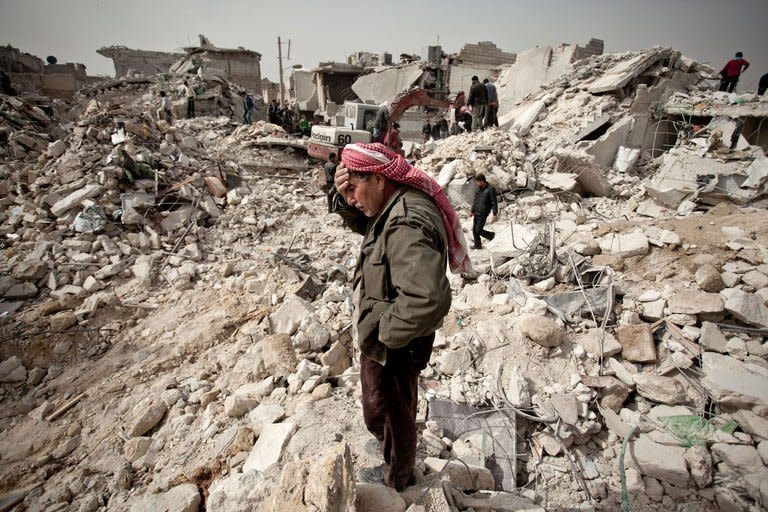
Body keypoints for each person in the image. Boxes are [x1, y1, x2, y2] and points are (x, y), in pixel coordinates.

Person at [331, 142, 471, 491]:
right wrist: (339, 194)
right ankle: (390, 449)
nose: (351, 199)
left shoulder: (406, 219)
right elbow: (367, 223)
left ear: (379, 179)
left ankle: (397, 477)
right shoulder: (391, 203)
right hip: (391, 335)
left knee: (391, 409)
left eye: (354, 189)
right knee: (385, 406)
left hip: (395, 341)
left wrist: (383, 335)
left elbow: (428, 298)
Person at [471, 174, 498, 250]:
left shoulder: (490, 189)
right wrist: (472, 210)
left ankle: (491, 235)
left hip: (483, 213)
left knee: (478, 230)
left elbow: (494, 202)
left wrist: (494, 213)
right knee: (474, 230)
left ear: (482, 181)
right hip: (477, 212)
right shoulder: (478, 189)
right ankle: (477, 245)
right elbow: (475, 201)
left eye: (478, 182)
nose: (477, 184)